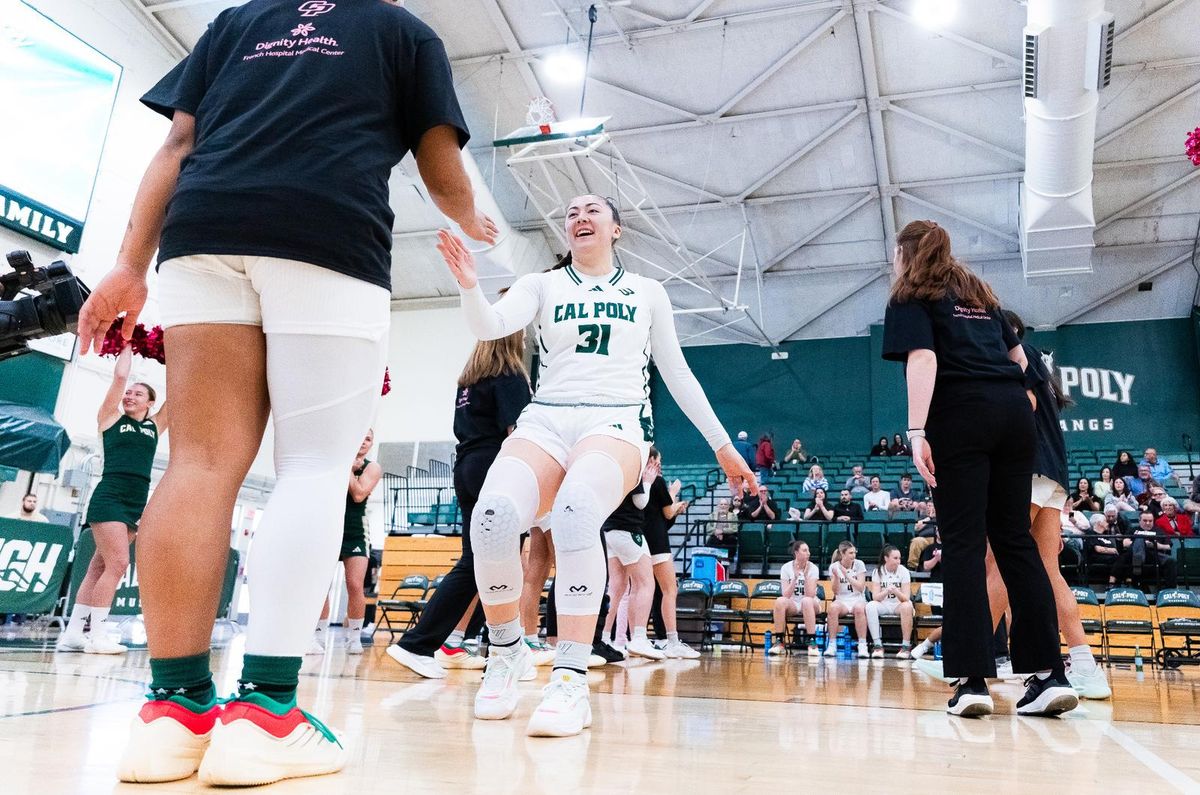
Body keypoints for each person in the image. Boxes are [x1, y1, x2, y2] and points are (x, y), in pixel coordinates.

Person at [74, 1, 498, 784]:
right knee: (311, 464)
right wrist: (474, 215)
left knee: (197, 464)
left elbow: (176, 142)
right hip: (327, 235)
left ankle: (173, 715)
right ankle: (267, 712)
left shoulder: (236, 23)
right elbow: (444, 175)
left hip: (203, 230)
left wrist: (130, 263)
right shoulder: (403, 31)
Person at [439, 194, 755, 738]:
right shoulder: (543, 284)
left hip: (617, 421)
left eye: (592, 211)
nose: (579, 217)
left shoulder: (647, 292)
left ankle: (568, 678)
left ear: (617, 228)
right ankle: (507, 650)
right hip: (548, 417)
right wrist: (470, 283)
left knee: (577, 511)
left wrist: (723, 447)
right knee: (490, 516)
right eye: (570, 213)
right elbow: (491, 326)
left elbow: (677, 373)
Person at [882, 219, 1075, 718]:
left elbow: (923, 359)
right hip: (1012, 416)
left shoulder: (911, 294)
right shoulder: (979, 292)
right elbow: (1018, 357)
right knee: (1015, 542)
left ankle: (971, 684)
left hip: (960, 415)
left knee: (965, 546)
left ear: (906, 253)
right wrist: (1016, 398)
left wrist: (917, 431)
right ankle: (1049, 676)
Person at [389, 332, 531, 679]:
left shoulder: (470, 380)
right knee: (496, 563)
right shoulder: (510, 376)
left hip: (466, 466)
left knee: (480, 561)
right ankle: (430, 643)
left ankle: (449, 641)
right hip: (493, 467)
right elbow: (520, 433)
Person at [59, 345, 168, 657]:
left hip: (135, 501)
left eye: (137, 394)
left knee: (99, 567)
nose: (129, 396)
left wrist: (176, 352)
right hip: (109, 497)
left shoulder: (154, 426)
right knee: (119, 564)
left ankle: (74, 634)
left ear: (150, 402)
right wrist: (128, 342)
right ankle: (99, 635)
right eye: (128, 393)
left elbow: (179, 394)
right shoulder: (109, 418)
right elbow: (120, 376)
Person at [311, 431, 382, 655]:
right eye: (360, 436)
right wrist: (343, 465)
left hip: (355, 530)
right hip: (329, 527)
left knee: (354, 585)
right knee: (322, 585)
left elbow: (359, 494)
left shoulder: (372, 467)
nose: (363, 441)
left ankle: (353, 637)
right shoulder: (334, 460)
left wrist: (348, 471)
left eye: (368, 439)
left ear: (371, 444)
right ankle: (318, 637)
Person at [600, 461, 661, 660]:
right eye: (656, 463)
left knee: (616, 589)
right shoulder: (633, 465)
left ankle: (603, 637)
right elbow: (640, 502)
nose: (657, 467)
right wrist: (649, 482)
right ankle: (639, 638)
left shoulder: (612, 468)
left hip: (609, 530)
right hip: (627, 529)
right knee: (645, 583)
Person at [643, 447, 699, 660]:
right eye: (659, 459)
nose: (661, 464)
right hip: (656, 542)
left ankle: (632, 638)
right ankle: (672, 640)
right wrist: (673, 494)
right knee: (669, 590)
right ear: (653, 460)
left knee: (645, 591)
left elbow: (660, 517)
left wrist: (674, 507)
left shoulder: (638, 482)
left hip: (642, 540)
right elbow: (666, 513)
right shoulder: (656, 481)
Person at [768, 541, 821, 658]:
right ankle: (779, 642)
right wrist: (795, 578)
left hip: (811, 603)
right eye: (805, 550)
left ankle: (812, 642)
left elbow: (810, 595)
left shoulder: (813, 568)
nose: (808, 553)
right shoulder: (786, 568)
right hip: (793, 603)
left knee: (806, 600)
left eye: (808, 550)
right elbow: (785, 594)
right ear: (796, 552)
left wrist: (806, 576)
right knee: (780, 601)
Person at [866, 545, 913, 659]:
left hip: (898, 604)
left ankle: (906, 647)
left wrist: (896, 591)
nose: (898, 561)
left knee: (907, 606)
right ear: (886, 558)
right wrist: (886, 591)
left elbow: (906, 598)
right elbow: (875, 597)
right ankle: (877, 645)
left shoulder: (904, 571)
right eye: (895, 558)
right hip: (884, 604)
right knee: (870, 606)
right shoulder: (878, 571)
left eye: (899, 558)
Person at [824, 541, 868, 658]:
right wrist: (837, 577)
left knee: (859, 609)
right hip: (842, 600)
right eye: (850, 553)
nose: (854, 555)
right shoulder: (834, 567)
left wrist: (847, 575)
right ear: (843, 554)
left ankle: (862, 645)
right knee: (832, 608)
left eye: (854, 552)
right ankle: (832, 645)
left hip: (857, 598)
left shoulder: (859, 564)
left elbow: (860, 587)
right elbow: (836, 591)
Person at [1109, 511, 1177, 588]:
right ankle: (1138, 561)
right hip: (1135, 554)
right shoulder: (1133, 530)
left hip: (1153, 554)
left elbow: (1168, 546)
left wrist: (1156, 545)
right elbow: (1125, 543)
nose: (1148, 523)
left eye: (1150, 521)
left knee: (1171, 560)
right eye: (1145, 521)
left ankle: (1171, 589)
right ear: (1139, 520)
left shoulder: (1159, 531)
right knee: (1139, 539)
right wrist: (1140, 543)